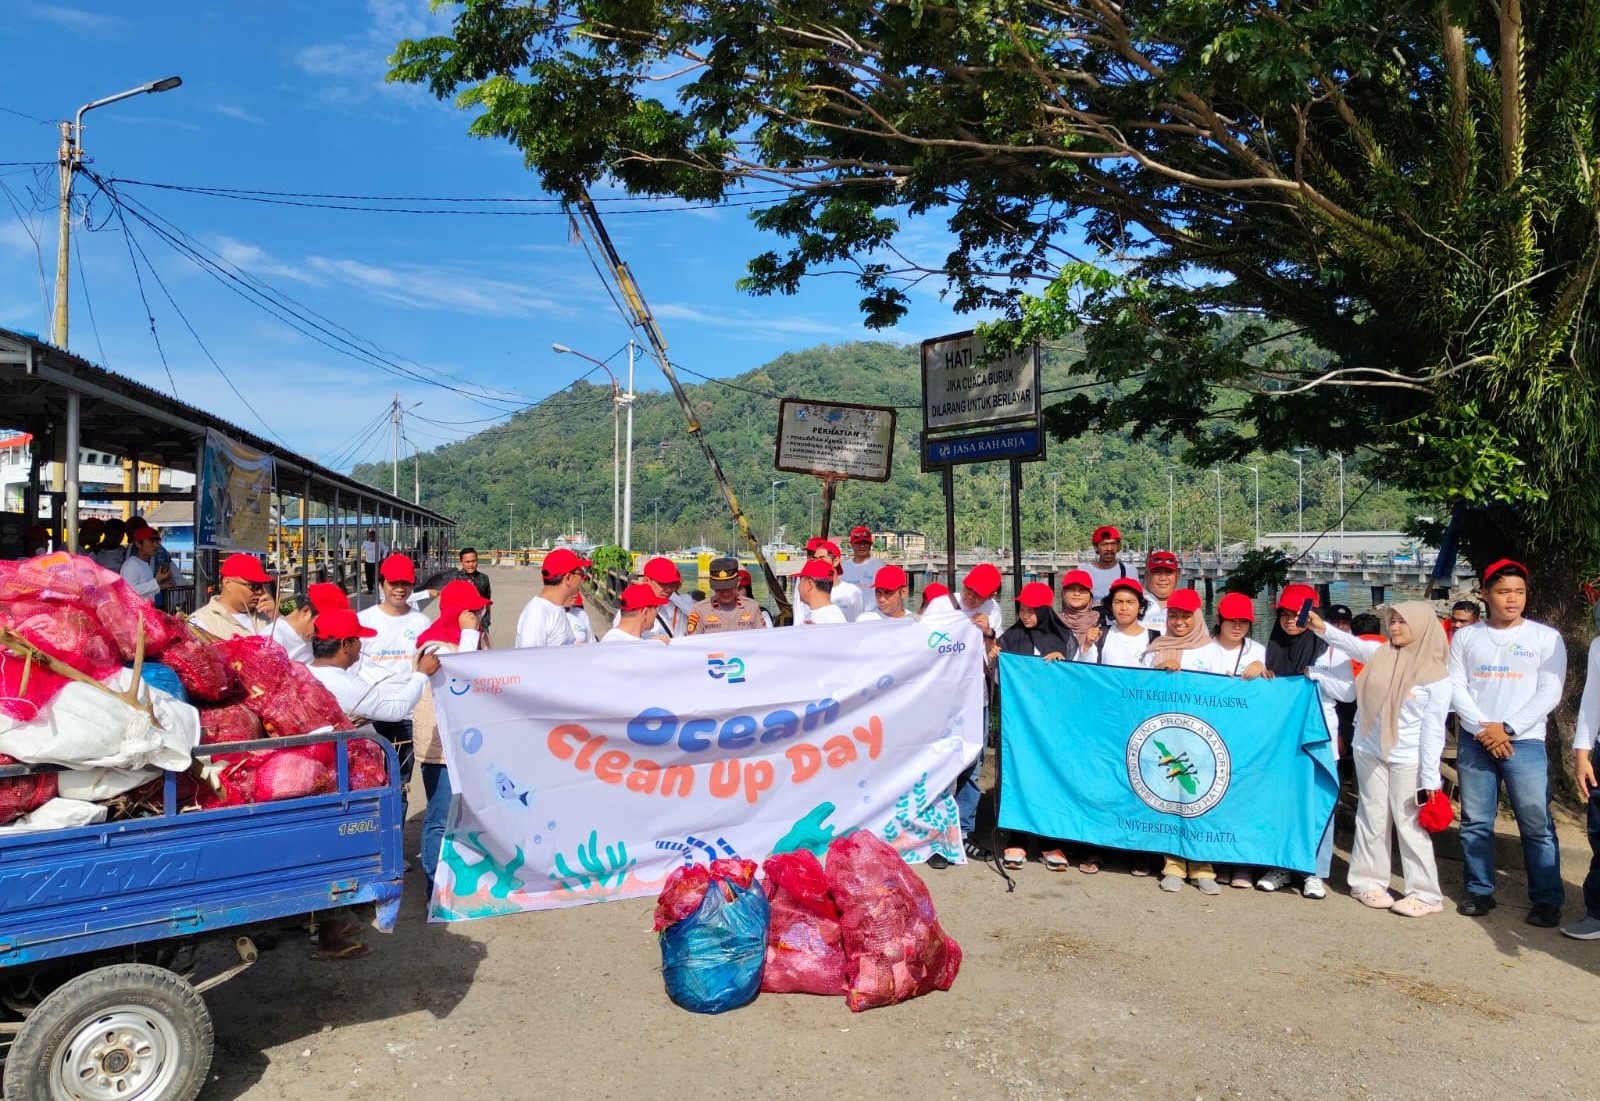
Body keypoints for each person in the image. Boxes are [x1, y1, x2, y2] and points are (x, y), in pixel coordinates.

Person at [1304, 602, 1451, 917]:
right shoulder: (1381, 654)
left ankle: (1425, 894)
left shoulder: (1436, 676)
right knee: (1371, 817)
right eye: (1392, 621)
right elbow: (1349, 643)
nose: (1395, 627)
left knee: (1409, 823)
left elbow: (1433, 732)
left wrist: (1429, 780)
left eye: (1403, 622)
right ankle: (1367, 883)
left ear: (1422, 627)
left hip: (1407, 757)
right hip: (1369, 749)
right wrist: (1320, 626)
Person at [307, 605, 437, 954]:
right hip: (336, 781)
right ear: (345, 644)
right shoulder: (341, 682)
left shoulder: (305, 672)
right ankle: (331, 935)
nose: (360, 650)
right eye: (357, 644)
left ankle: (331, 928)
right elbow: (394, 708)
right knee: (346, 854)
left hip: (313, 777)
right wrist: (421, 675)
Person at [1449, 559, 1567, 925]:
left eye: (1519, 591)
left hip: (1525, 742)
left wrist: (1509, 728)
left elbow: (1551, 690)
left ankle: (1547, 898)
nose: (1512, 599)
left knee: (1535, 823)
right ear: (1485, 594)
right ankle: (1479, 890)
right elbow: (1455, 685)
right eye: (1503, 592)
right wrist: (1484, 730)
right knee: (1476, 821)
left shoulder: (1545, 638)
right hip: (1475, 740)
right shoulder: (1467, 636)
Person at [1264, 583, 1351, 898]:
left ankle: (1314, 870)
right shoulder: (1270, 647)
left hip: (1320, 737)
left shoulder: (1331, 649)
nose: (1289, 621)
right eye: (1284, 615)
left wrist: (1318, 676)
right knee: (1283, 802)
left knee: (1318, 804)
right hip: (1282, 738)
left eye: (1297, 615)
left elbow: (1349, 692)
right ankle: (1281, 864)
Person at [995, 582, 1077, 873]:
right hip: (1017, 723)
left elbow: (1077, 680)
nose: (1025, 614)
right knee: (1017, 776)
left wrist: (1063, 664)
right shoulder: (1010, 638)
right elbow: (999, 681)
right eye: (1021, 608)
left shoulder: (1065, 639)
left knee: (1049, 778)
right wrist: (995, 659)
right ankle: (1016, 837)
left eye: (1031, 610)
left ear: (1044, 611)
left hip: (1053, 724)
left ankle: (1048, 841)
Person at [413, 579, 490, 888]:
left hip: (467, 742)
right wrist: (470, 633)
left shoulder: (472, 638)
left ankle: (460, 881)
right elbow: (464, 679)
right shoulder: (434, 646)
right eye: (473, 611)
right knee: (440, 817)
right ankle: (434, 886)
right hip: (441, 747)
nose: (479, 615)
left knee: (466, 816)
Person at [1142, 588, 1218, 894]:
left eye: (1186, 615)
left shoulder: (1211, 650)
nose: (1179, 622)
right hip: (1165, 735)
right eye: (1174, 615)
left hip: (1201, 738)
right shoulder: (1154, 648)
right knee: (1169, 797)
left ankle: (1202, 865)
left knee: (1201, 799)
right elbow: (1140, 691)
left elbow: (1221, 691)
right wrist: (1158, 674)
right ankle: (1172, 863)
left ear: (1197, 616)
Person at [358, 554, 433, 800]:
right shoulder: (364, 620)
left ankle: (396, 837)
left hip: (406, 716)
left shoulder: (422, 622)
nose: (400, 589)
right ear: (382, 584)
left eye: (406, 584)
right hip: (370, 716)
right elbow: (351, 668)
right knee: (367, 784)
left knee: (399, 788)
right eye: (393, 583)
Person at [1564, 603, 1600, 939]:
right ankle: (1597, 913)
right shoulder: (1598, 645)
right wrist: (1582, 753)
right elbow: (1592, 701)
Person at [190, 554, 279, 639]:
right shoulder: (200, 623)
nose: (260, 592)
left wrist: (277, 617)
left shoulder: (267, 614)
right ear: (228, 584)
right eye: (253, 586)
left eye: (262, 586)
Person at [516, 548, 588, 647]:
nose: (582, 579)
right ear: (568, 578)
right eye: (581, 574)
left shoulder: (556, 609)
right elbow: (529, 660)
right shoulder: (536, 616)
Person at [1093, 578, 1163, 668]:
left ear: (1140, 606)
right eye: (1118, 602)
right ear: (1111, 606)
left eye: (1130, 602)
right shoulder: (1099, 635)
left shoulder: (1154, 638)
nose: (1124, 608)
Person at [421, 547, 493, 634]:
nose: (471, 565)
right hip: (460, 623)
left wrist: (487, 620)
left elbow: (487, 600)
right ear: (461, 562)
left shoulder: (484, 578)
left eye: (473, 561)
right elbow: (445, 604)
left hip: (481, 623)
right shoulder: (454, 579)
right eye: (467, 562)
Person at [616, 557, 692, 639]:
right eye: (663, 584)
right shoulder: (632, 607)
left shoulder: (679, 605)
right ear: (646, 581)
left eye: (673, 585)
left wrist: (675, 598)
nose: (669, 589)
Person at [688, 557, 767, 633]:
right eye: (719, 588)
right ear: (711, 583)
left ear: (738, 582)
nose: (725, 592)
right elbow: (692, 643)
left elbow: (763, 639)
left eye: (729, 587)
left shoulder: (752, 608)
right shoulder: (700, 610)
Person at [118, 526, 173, 602]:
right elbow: (128, 592)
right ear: (138, 544)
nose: (156, 545)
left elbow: (143, 592)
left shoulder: (144, 564)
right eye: (152, 542)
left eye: (157, 542)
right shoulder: (132, 564)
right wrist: (156, 581)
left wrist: (159, 586)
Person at [604, 583, 670, 643]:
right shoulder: (616, 645)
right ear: (645, 612)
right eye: (656, 608)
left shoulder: (643, 636)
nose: (656, 612)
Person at [1057, 570, 1103, 655]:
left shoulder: (1100, 623)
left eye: (1082, 590)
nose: (1076, 593)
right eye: (1071, 589)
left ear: (1090, 594)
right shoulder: (1053, 623)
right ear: (1063, 593)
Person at [1084, 525, 1135, 600]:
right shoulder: (1084, 571)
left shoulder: (1129, 571)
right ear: (1096, 547)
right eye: (1104, 544)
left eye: (1113, 544)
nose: (1109, 549)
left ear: (1118, 547)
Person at [795, 558, 847, 624]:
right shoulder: (812, 615)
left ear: (809, 584)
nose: (798, 586)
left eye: (800, 581)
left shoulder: (833, 619)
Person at [1139, 550, 1181, 631]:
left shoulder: (1188, 606)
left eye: (1168, 573)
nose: (1163, 578)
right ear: (1147, 575)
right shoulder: (1135, 603)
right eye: (1157, 573)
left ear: (1178, 575)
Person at [359, 529, 384, 593]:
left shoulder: (379, 543)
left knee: (378, 576)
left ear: (375, 536)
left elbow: (386, 548)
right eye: (370, 536)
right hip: (368, 562)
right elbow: (360, 549)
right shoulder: (365, 543)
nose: (372, 537)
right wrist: (361, 557)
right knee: (368, 576)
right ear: (369, 536)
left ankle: (379, 588)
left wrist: (383, 557)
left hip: (377, 562)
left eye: (373, 536)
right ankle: (370, 589)